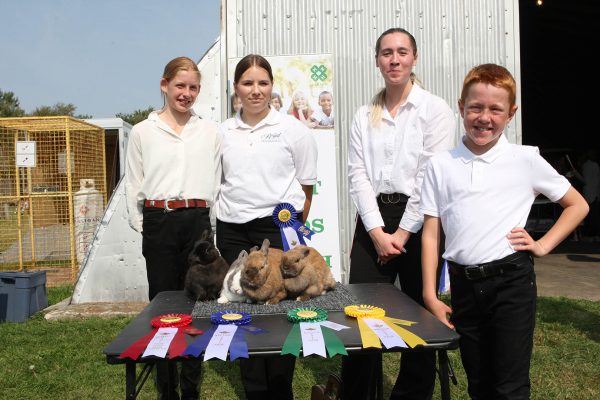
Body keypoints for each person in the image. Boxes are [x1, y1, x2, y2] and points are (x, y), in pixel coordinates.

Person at [420, 63, 589, 399]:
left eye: (496, 109)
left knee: (510, 385)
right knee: (479, 383)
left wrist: (542, 245)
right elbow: (431, 232)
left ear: (511, 113)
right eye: (476, 107)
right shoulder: (440, 165)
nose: (485, 117)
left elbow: (578, 205)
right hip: (464, 287)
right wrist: (429, 294)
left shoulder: (525, 159)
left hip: (511, 283)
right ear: (461, 108)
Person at [344, 27, 456, 399]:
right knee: (359, 317)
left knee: (420, 315)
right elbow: (357, 174)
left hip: (421, 222)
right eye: (387, 53)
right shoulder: (363, 115)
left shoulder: (434, 109)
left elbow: (430, 174)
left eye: (402, 52)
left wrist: (403, 234)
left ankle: (411, 394)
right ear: (377, 61)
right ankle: (358, 394)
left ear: (415, 58)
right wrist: (377, 232)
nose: (394, 59)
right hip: (373, 221)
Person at [215, 53, 318, 400]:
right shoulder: (223, 132)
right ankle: (255, 391)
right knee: (242, 311)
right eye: (247, 83)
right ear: (236, 89)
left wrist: (294, 230)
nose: (255, 90)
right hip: (233, 232)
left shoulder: (293, 130)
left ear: (272, 86)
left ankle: (280, 389)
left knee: (277, 311)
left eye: (262, 83)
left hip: (276, 229)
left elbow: (306, 185)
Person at [124, 56, 222, 400]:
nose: (187, 93)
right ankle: (167, 389)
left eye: (193, 87)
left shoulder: (209, 131)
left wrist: (209, 227)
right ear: (164, 85)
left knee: (196, 304)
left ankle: (191, 388)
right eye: (180, 86)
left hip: (196, 224)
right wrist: (146, 227)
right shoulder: (142, 132)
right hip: (160, 223)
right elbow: (133, 184)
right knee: (164, 307)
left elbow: (217, 181)